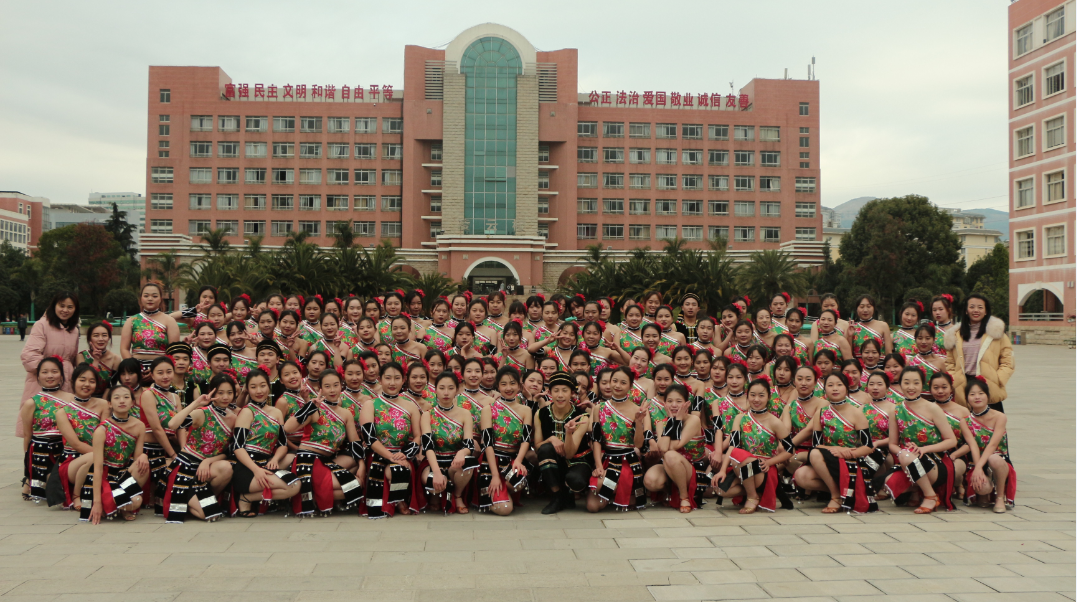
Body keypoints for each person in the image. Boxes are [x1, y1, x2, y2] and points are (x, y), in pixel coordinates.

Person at [792, 372, 878, 514]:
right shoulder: (821, 412)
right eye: (830, 385)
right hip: (829, 457)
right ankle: (842, 492)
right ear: (824, 389)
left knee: (815, 454)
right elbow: (817, 444)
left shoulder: (856, 413)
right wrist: (836, 448)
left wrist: (848, 452)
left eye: (839, 385)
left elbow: (868, 447)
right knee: (801, 475)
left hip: (850, 460)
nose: (835, 388)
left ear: (846, 388)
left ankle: (836, 497)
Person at [283, 369, 365, 517]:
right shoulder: (315, 409)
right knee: (355, 485)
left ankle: (313, 494)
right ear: (320, 388)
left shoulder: (345, 413)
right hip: (308, 461)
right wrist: (309, 407)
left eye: (336, 385)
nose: (332, 390)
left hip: (326, 460)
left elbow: (355, 442)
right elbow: (288, 428)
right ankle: (314, 495)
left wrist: (362, 465)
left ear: (341, 386)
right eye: (327, 386)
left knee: (356, 473)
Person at [160, 373, 238, 523]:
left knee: (226, 467)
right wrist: (196, 403)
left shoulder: (234, 418)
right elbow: (172, 424)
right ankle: (192, 501)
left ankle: (203, 500)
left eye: (229, 393)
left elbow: (228, 452)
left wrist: (207, 461)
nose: (225, 397)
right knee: (207, 514)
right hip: (186, 467)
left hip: (207, 467)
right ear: (212, 393)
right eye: (220, 393)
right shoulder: (202, 413)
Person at [884, 366, 958, 514]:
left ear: (922, 385)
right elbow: (892, 444)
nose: (911, 387)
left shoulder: (933, 408)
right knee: (888, 482)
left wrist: (923, 449)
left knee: (907, 457)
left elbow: (951, 441)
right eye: (906, 382)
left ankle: (930, 496)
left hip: (936, 461)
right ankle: (917, 491)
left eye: (916, 383)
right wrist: (904, 453)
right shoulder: (896, 409)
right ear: (900, 384)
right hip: (908, 459)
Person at [713, 377, 792, 514]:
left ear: (768, 397)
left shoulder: (775, 422)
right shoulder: (740, 418)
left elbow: (790, 450)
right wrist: (722, 470)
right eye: (753, 395)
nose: (756, 399)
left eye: (761, 395)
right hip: (742, 465)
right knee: (720, 489)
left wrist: (770, 462)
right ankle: (756, 492)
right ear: (747, 395)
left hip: (763, 469)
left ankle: (752, 496)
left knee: (741, 456)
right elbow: (732, 446)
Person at [229, 367, 300, 517]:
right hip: (247, 468)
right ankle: (245, 498)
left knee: (295, 479)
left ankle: (250, 498)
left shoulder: (277, 412)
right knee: (292, 486)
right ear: (247, 389)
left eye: (262, 385)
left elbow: (282, 445)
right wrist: (256, 470)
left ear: (269, 386)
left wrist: (275, 459)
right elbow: (237, 447)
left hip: (267, 463)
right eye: (253, 387)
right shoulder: (247, 412)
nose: (259, 391)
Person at [359, 362, 423, 518]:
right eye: (388, 378)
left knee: (399, 470)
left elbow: (418, 436)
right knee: (394, 468)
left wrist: (405, 454)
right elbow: (369, 438)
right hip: (378, 453)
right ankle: (398, 501)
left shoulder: (411, 406)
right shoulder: (370, 404)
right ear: (380, 380)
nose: (392, 383)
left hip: (402, 454)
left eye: (397, 378)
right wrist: (390, 456)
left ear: (404, 380)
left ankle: (398, 499)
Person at [81, 385, 150, 523]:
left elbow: (137, 457)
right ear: (110, 403)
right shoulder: (102, 430)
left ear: (132, 402)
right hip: (106, 475)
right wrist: (97, 502)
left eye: (126, 397)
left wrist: (144, 456)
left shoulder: (139, 426)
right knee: (133, 501)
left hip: (124, 473)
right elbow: (97, 468)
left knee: (142, 468)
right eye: (117, 398)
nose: (122, 401)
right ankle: (115, 503)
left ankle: (120, 504)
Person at [587, 366, 652, 512]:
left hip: (628, 461)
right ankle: (614, 493)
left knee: (608, 486)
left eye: (623, 382)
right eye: (614, 381)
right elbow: (596, 440)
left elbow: (638, 444)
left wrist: (639, 422)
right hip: (607, 460)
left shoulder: (637, 410)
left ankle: (619, 492)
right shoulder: (599, 408)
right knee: (592, 507)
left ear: (630, 386)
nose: (617, 385)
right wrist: (598, 466)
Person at [18, 292, 80, 437]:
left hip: (67, 383)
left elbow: (72, 358)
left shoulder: (74, 330)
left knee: (64, 430)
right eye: (61, 306)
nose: (65, 310)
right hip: (43, 383)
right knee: (40, 427)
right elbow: (29, 356)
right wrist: (51, 371)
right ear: (54, 306)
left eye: (70, 307)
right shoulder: (42, 325)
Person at [477, 367, 533, 515]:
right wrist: (495, 475)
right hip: (492, 460)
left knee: (519, 481)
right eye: (504, 384)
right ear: (498, 386)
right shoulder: (488, 409)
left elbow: (526, 439)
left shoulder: (526, 410)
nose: (508, 388)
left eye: (512, 383)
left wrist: (519, 461)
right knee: (504, 510)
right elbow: (487, 443)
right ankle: (499, 493)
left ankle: (505, 491)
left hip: (513, 459)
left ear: (519, 386)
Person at [420, 371, 478, 514]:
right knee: (432, 481)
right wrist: (437, 472)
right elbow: (428, 447)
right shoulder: (427, 415)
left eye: (450, 388)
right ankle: (438, 494)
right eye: (442, 388)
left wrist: (462, 453)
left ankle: (457, 495)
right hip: (435, 461)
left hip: (455, 462)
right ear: (435, 390)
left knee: (468, 463)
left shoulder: (465, 414)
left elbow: (469, 444)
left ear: (457, 390)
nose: (446, 392)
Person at [944, 294, 1014, 411]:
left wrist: (998, 378)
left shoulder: (996, 333)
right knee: (966, 420)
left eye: (980, 307)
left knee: (993, 420)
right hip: (964, 385)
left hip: (988, 384)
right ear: (966, 310)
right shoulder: (955, 334)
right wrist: (955, 380)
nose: (976, 310)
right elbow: (949, 362)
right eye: (972, 307)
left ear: (986, 311)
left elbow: (1008, 361)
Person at [534, 371, 590, 514]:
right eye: (556, 390)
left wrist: (569, 433)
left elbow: (570, 454)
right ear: (549, 392)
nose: (560, 395)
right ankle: (556, 496)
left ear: (572, 393)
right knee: (545, 449)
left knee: (576, 480)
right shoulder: (541, 413)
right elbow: (538, 446)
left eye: (565, 390)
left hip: (577, 460)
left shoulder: (582, 417)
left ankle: (568, 492)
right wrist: (551, 439)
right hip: (554, 460)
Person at [646, 384, 707, 513]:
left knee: (670, 455)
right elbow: (663, 448)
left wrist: (678, 420)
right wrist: (671, 421)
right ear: (664, 404)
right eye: (670, 401)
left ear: (687, 403)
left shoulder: (694, 420)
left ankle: (684, 497)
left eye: (679, 401)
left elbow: (674, 446)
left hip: (692, 469)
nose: (674, 405)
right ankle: (670, 492)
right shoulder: (661, 423)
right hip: (670, 467)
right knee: (650, 481)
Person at [962, 377, 1016, 513]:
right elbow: (973, 446)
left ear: (987, 396)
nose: (977, 397)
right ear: (967, 398)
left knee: (994, 458)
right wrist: (978, 468)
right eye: (972, 394)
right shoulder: (965, 421)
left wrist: (979, 467)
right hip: (978, 460)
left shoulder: (1000, 417)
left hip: (999, 460)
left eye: (981, 393)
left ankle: (1000, 497)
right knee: (982, 487)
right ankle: (984, 494)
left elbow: (992, 445)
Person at [20, 357, 67, 501]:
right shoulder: (31, 403)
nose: (50, 376)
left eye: (54, 371)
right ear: (38, 376)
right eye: (45, 372)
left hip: (65, 449)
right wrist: (28, 470)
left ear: (61, 375)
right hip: (41, 451)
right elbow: (28, 436)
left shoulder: (71, 399)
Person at [121, 282, 180, 372]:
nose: (150, 299)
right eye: (146, 296)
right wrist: (135, 369)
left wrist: (158, 370)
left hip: (161, 369)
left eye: (154, 296)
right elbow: (124, 349)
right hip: (136, 368)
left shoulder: (170, 321)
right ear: (141, 298)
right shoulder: (131, 321)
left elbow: (173, 351)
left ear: (160, 299)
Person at [80, 321, 120, 397]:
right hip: (84, 396)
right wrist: (96, 360)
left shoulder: (115, 359)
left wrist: (102, 402)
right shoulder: (82, 356)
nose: (101, 339)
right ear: (89, 338)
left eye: (104, 335)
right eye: (96, 335)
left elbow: (111, 385)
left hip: (105, 398)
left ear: (109, 338)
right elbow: (84, 382)